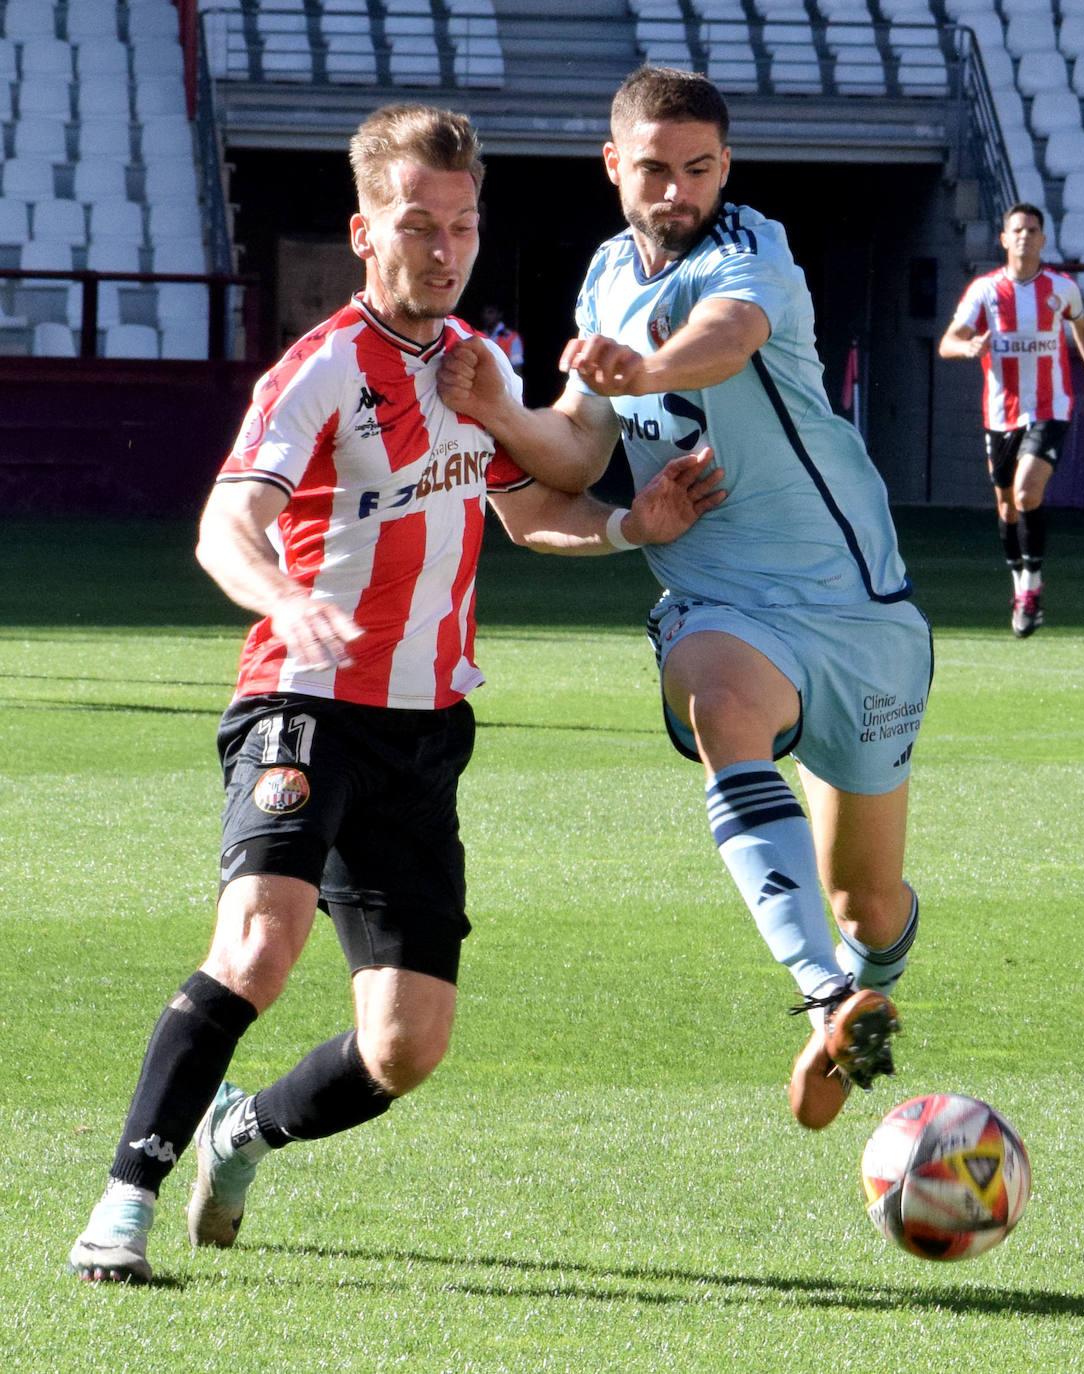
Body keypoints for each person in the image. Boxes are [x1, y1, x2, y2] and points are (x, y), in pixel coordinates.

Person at [68, 102, 723, 1284]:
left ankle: (242, 1130)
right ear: (365, 230)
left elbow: (526, 512)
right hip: (304, 703)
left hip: (427, 733)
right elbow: (229, 524)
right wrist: (284, 597)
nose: (446, 247)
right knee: (258, 950)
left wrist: (634, 522)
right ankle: (122, 1204)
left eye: (463, 225)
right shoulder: (320, 368)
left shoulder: (477, 365)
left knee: (407, 1047)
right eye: (419, 224)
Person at [438, 67, 932, 1131]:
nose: (678, 190)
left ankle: (860, 976)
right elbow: (573, 448)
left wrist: (649, 368)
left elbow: (730, 337)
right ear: (614, 165)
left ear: (725, 167)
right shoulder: (607, 275)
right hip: (723, 601)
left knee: (870, 901)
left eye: (699, 168)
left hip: (858, 613)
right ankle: (828, 998)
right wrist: (502, 409)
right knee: (720, 702)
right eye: (655, 169)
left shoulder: (757, 253)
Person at [938, 202, 1084, 638]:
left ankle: (1032, 586)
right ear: (1004, 239)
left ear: (1042, 239)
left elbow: (1083, 329)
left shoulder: (1061, 288)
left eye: (1031, 230)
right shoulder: (984, 291)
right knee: (1006, 507)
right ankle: (1020, 585)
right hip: (1000, 415)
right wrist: (969, 349)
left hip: (1050, 407)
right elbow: (948, 342)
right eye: (1016, 230)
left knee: (1026, 492)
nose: (1023, 236)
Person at [480, 302, 524, 373]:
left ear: (499, 314)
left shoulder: (511, 337)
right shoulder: (479, 336)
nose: (486, 316)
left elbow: (517, 368)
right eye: (484, 312)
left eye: (490, 312)